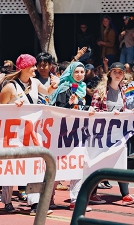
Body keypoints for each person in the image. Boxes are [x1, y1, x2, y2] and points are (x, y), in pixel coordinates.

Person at [0, 54, 59, 214]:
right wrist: (13, 108)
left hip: (32, 132)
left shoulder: (35, 82)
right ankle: (7, 200)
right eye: (33, 66)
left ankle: (35, 203)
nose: (36, 68)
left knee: (35, 166)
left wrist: (53, 86)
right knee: (12, 167)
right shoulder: (10, 86)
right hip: (13, 134)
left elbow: (47, 92)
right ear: (24, 67)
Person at [49, 61, 106, 211]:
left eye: (82, 72)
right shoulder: (64, 88)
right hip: (63, 134)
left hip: (79, 133)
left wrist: (87, 107)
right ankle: (49, 198)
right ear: (71, 72)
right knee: (60, 168)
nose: (80, 75)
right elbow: (60, 109)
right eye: (77, 72)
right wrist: (72, 104)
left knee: (77, 166)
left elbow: (80, 107)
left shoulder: (81, 88)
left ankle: (75, 200)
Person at [90, 62, 134, 205]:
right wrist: (109, 114)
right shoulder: (102, 90)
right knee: (99, 161)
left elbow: (123, 110)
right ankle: (92, 193)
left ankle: (125, 194)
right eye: (115, 71)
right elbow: (93, 110)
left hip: (119, 133)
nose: (117, 74)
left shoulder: (123, 90)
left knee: (121, 160)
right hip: (102, 133)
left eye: (120, 72)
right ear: (110, 74)